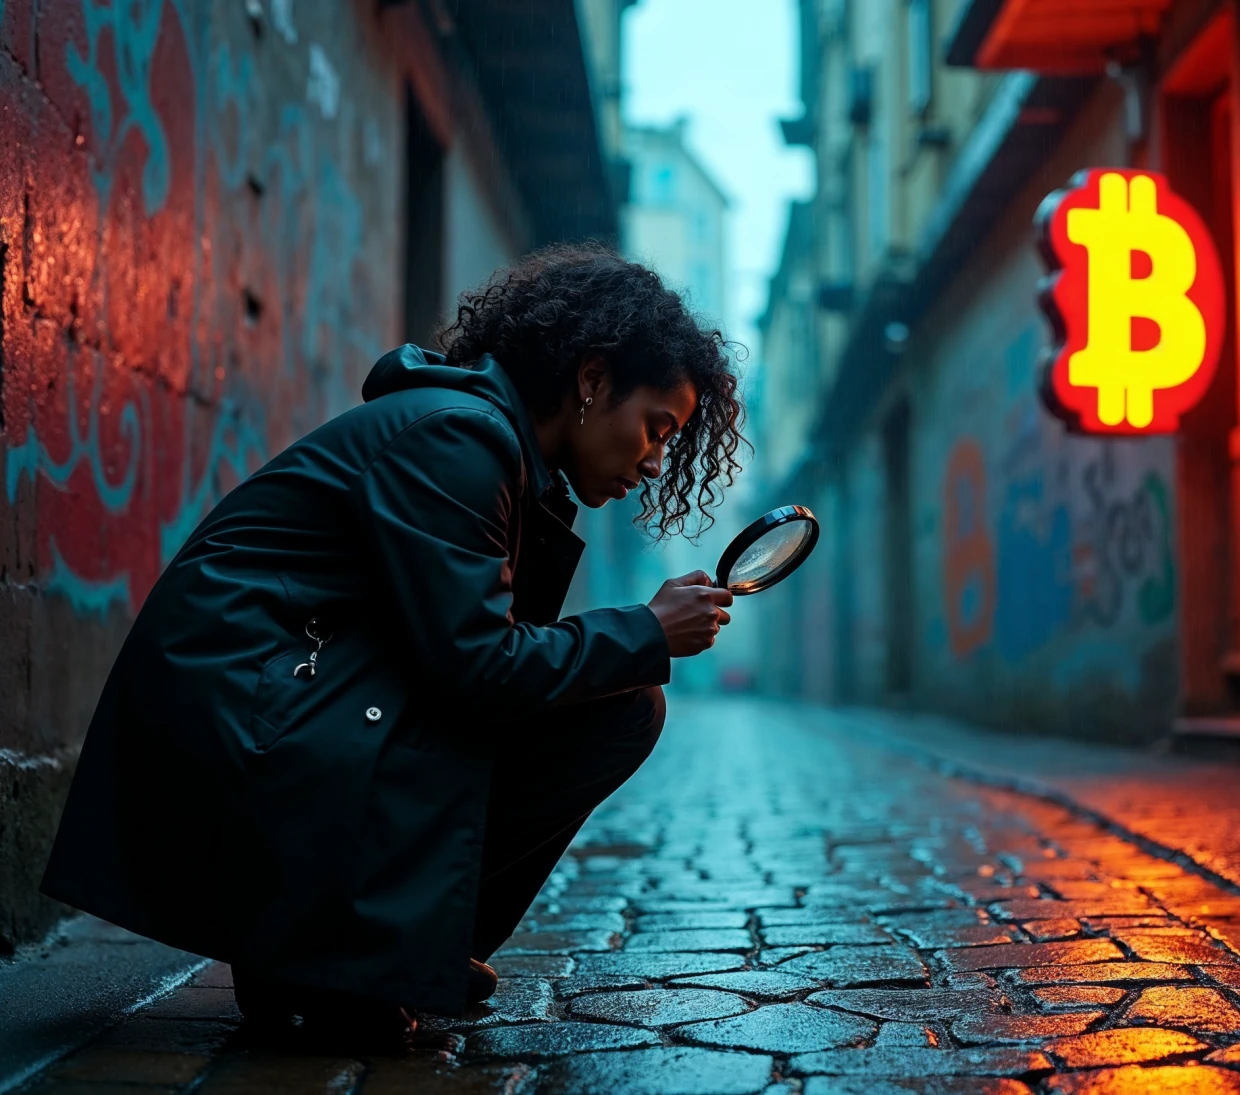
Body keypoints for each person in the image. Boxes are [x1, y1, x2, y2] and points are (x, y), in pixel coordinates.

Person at [40, 243, 744, 1047]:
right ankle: (336, 958)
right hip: (232, 716)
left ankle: (365, 951)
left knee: (611, 701)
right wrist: (646, 629)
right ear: (591, 381)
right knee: (619, 708)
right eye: (655, 428)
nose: (656, 461)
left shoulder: (494, 445)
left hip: (280, 699)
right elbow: (476, 668)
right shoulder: (461, 440)